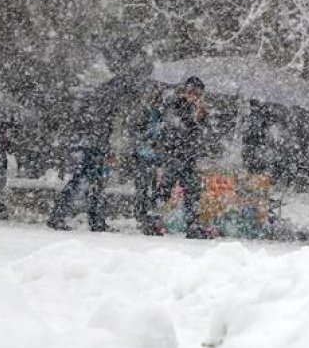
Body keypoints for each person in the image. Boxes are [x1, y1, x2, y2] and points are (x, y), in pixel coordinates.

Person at [48, 70, 146, 231]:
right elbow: (99, 128)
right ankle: (72, 217)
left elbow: (98, 128)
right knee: (84, 181)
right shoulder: (104, 100)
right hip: (89, 146)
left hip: (88, 145)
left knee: (89, 182)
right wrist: (105, 149)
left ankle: (86, 218)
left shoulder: (102, 98)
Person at [157, 77, 212, 238]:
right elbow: (176, 126)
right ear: (186, 91)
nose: (195, 96)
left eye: (198, 93)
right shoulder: (175, 104)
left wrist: (202, 115)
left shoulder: (197, 108)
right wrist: (193, 115)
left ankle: (193, 225)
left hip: (189, 156)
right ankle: (154, 220)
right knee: (165, 189)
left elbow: (202, 131)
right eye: (192, 92)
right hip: (174, 154)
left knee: (193, 191)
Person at [129, 87, 166, 234]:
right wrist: (148, 138)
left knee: (152, 187)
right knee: (143, 187)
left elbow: (161, 135)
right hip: (143, 154)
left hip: (154, 156)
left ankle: (150, 218)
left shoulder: (159, 115)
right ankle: (142, 217)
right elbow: (136, 133)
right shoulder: (144, 113)